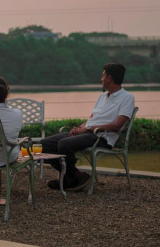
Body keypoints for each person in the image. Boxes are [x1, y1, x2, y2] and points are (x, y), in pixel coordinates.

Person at [41, 63, 135, 191]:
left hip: (101, 137)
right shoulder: (102, 97)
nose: (100, 79)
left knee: (64, 144)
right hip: (87, 133)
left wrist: (88, 129)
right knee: (44, 144)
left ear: (109, 78)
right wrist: (79, 128)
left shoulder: (127, 98)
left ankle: (70, 178)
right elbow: (92, 118)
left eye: (102, 76)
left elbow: (117, 125)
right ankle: (76, 176)